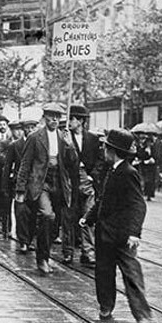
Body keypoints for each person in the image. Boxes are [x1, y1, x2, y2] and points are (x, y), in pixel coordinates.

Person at [80, 129, 151, 323]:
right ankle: (106, 306)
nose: (102, 149)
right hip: (104, 234)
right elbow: (103, 200)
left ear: (113, 151)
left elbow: (138, 205)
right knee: (103, 272)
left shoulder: (129, 173)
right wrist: (88, 218)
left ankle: (142, 314)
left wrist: (134, 233)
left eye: (105, 147)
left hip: (122, 236)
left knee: (132, 274)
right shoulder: (109, 170)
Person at [15, 103, 78, 275]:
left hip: (59, 183)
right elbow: (25, 164)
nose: (55, 120)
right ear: (44, 117)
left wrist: (70, 145)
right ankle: (42, 259)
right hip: (41, 183)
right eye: (51, 116)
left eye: (58, 116)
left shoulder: (64, 136)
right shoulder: (35, 137)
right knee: (47, 215)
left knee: (55, 223)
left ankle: (46, 251)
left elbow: (73, 163)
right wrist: (20, 189)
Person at [67, 105, 104, 266]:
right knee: (69, 217)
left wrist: (92, 175)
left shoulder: (93, 139)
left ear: (80, 121)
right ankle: (67, 251)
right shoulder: (64, 138)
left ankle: (88, 252)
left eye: (72, 119)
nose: (69, 122)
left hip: (87, 182)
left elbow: (101, 161)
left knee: (88, 216)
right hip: (70, 182)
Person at [3, 119, 36, 251]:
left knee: (33, 212)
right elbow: (7, 167)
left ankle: (30, 238)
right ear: (23, 129)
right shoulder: (14, 145)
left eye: (33, 127)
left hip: (35, 183)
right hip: (19, 183)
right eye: (28, 128)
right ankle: (23, 241)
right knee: (20, 211)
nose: (30, 130)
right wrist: (5, 186)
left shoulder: (39, 143)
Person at [134, 134, 157, 201]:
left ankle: (150, 195)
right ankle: (144, 194)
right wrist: (145, 158)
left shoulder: (153, 149)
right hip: (145, 167)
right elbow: (140, 156)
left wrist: (153, 159)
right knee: (145, 181)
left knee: (151, 181)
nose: (149, 144)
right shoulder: (143, 149)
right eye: (148, 142)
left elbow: (157, 156)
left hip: (152, 167)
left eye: (150, 142)